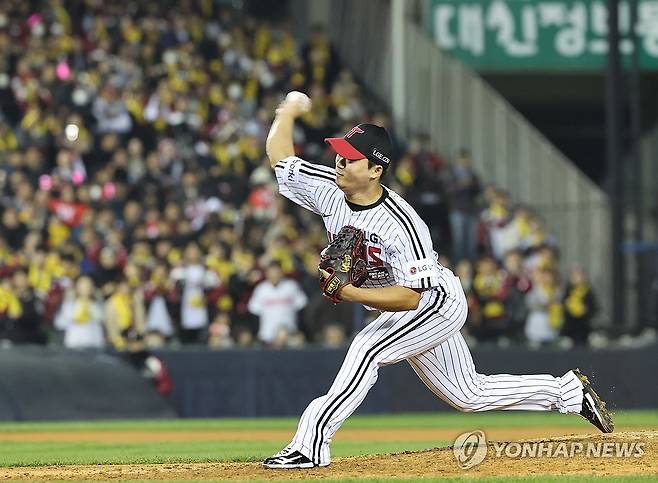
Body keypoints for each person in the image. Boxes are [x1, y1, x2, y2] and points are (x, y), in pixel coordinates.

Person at [260, 92, 614, 469]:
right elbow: (281, 158)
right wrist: (286, 113)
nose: (339, 162)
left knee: (367, 349)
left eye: (350, 158)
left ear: (376, 170)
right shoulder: (327, 188)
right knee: (468, 394)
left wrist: (350, 292)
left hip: (435, 303)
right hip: (401, 306)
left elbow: (412, 297)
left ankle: (311, 444)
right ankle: (569, 393)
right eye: (339, 154)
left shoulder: (403, 223)